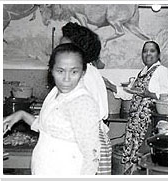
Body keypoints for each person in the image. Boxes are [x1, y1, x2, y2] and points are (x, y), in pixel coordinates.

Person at [3, 43, 101, 175]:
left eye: (74, 71)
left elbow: (91, 155)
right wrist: (21, 115)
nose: (66, 79)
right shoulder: (55, 92)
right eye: (60, 71)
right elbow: (48, 128)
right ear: (51, 70)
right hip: (46, 168)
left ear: (83, 72)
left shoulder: (82, 103)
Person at [60, 22, 113, 175]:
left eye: (65, 48)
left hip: (89, 141)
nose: (59, 51)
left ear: (79, 50)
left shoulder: (85, 74)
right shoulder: (87, 70)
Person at [121, 40, 168, 174]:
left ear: (158, 54)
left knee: (142, 153)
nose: (147, 54)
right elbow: (133, 93)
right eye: (145, 51)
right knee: (132, 150)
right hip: (134, 119)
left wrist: (149, 94)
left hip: (147, 119)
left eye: (152, 50)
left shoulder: (161, 70)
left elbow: (165, 96)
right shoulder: (143, 71)